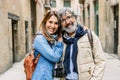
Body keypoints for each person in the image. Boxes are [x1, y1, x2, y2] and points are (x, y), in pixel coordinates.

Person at [57, 7, 106, 80]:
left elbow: (101, 61)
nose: (67, 22)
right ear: (61, 24)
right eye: (63, 20)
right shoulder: (60, 40)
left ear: (75, 17)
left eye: (69, 17)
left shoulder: (89, 35)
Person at [32, 10, 64, 80]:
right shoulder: (40, 39)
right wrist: (59, 44)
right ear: (45, 22)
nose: (53, 26)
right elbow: (54, 57)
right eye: (50, 22)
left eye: (56, 23)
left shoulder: (53, 39)